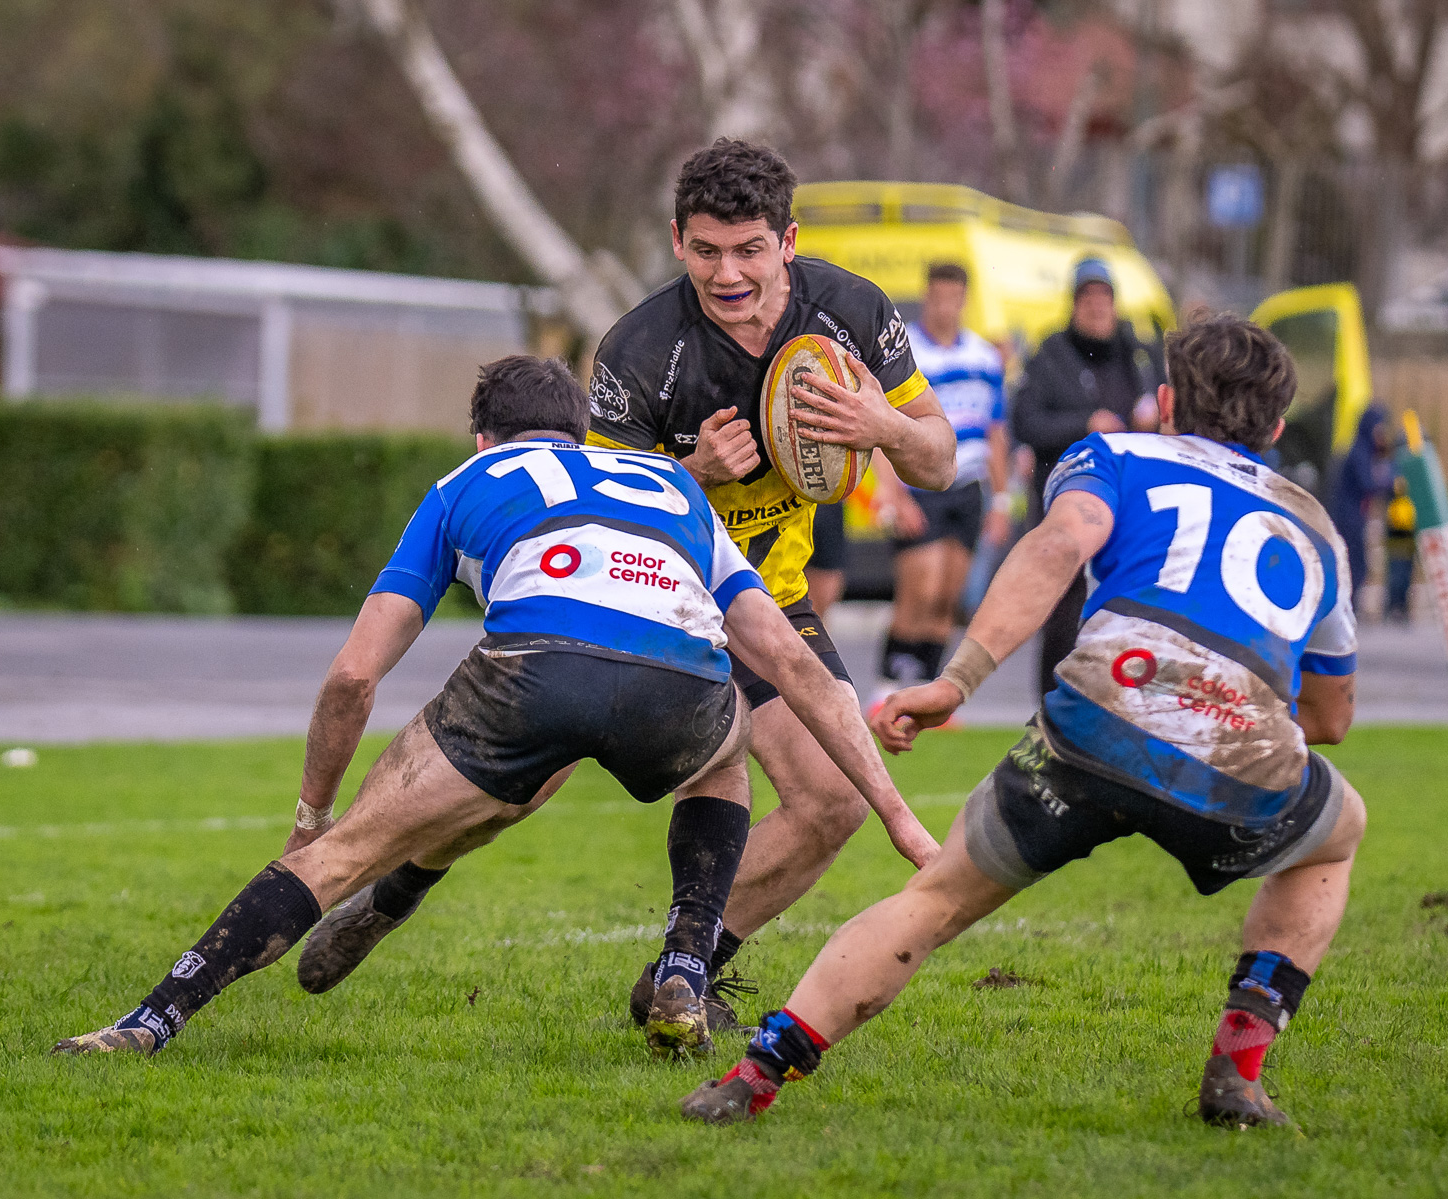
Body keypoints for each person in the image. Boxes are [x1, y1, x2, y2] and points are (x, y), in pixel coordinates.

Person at [51, 356, 933, 1061]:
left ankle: (149, 1020)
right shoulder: (671, 488)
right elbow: (789, 661)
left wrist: (313, 817)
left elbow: (354, 676)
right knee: (723, 757)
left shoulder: (463, 482)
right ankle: (683, 961)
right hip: (683, 681)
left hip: (534, 673)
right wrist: (897, 816)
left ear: (483, 437)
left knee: (347, 849)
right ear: (584, 436)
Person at [679, 316, 1367, 1131]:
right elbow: (1328, 716)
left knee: (933, 901)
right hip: (1238, 753)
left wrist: (957, 681)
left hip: (1092, 723)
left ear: (1168, 401)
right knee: (1339, 828)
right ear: (1279, 427)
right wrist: (1216, 704)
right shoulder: (1317, 528)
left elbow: (1056, 547)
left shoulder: (1115, 457)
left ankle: (756, 1074)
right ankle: (1237, 1074)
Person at [590, 138, 955, 1028]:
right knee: (512, 792)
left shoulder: (850, 312)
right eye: (708, 250)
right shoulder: (638, 350)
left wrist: (883, 424)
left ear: (787, 241)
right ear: (678, 240)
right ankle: (394, 882)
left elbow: (940, 458)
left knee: (831, 802)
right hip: (661, 596)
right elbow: (598, 519)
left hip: (774, 596)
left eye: (749, 248)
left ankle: (685, 972)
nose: (729, 272)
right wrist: (692, 470)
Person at [1010, 257, 1163, 697]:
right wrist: (1086, 423)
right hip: (1068, 506)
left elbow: (1174, 408)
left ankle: (1120, 705)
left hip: (1132, 504)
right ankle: (1052, 707)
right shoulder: (1051, 355)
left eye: (1104, 298)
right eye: (1088, 298)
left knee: (1129, 611)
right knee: (1064, 611)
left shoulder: (1140, 354)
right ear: (1074, 304)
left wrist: (1153, 410)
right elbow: (1026, 422)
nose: (1097, 308)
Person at [870, 263, 1010, 708]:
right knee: (920, 590)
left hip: (968, 485)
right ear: (927, 297)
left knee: (949, 597)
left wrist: (1001, 499)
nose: (945, 307)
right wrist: (891, 494)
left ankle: (926, 690)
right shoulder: (905, 353)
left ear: (964, 300)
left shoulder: (984, 357)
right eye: (937, 297)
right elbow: (879, 428)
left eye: (953, 298)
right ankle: (887, 685)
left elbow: (996, 432)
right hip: (919, 486)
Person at [1328, 405, 1396, 610]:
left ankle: (1350, 606)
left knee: (1357, 563)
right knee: (1354, 563)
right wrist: (1389, 482)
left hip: (1356, 516)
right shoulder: (1359, 452)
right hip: (1349, 517)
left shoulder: (1365, 451)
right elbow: (1368, 483)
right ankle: (1348, 607)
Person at [1383, 476, 1417, 622]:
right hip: (1399, 548)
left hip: (1403, 548)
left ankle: (1399, 608)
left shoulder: (1405, 505)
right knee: (1397, 579)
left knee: (1401, 579)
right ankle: (1394, 608)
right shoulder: (1397, 505)